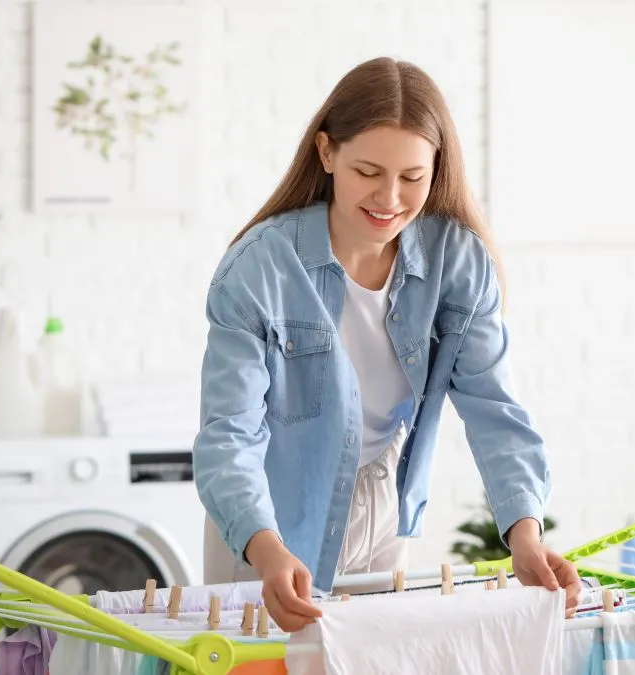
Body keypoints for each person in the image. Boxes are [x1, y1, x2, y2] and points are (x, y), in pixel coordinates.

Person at [192, 56, 580, 633]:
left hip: (381, 513)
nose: (390, 198)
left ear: (436, 167)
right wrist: (265, 550)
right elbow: (229, 435)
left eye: (413, 177)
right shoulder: (259, 268)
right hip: (265, 521)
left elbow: (496, 411)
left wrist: (525, 532)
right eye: (368, 172)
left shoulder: (459, 262)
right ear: (327, 154)